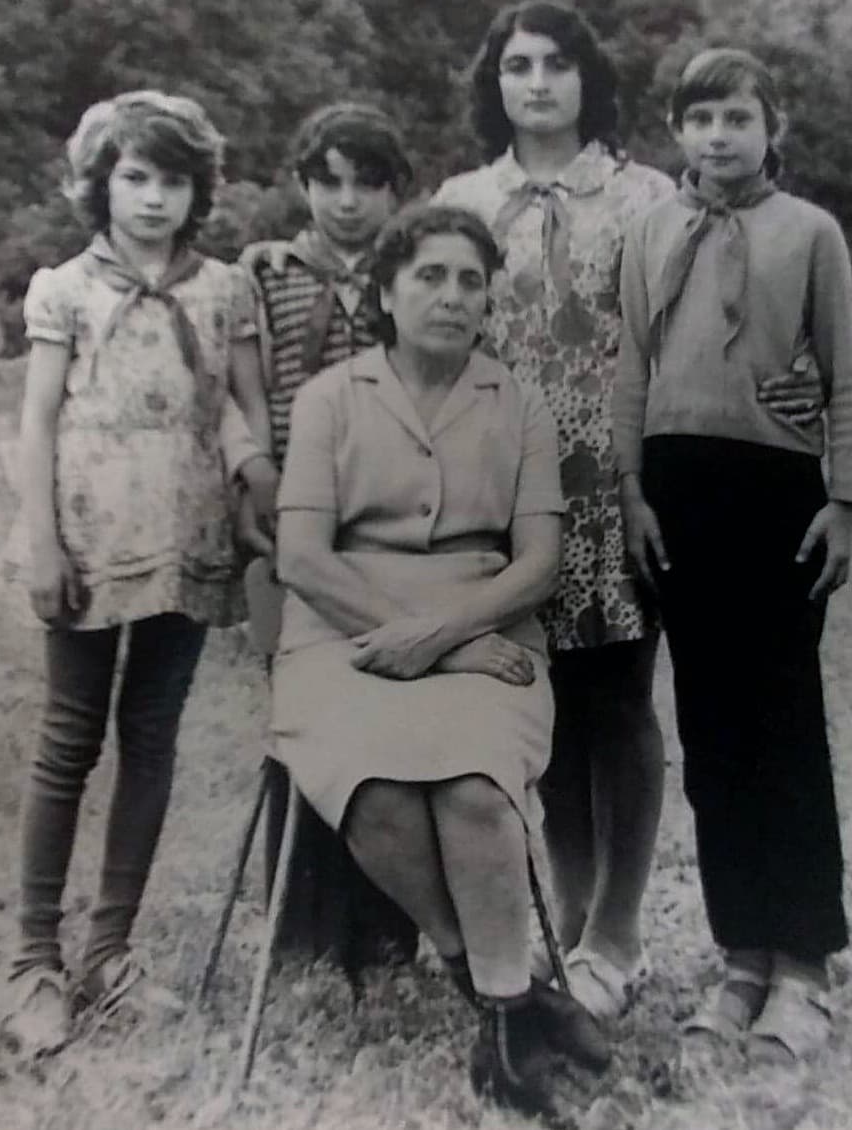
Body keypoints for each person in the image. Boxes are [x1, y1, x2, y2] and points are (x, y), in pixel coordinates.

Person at [434, 0, 824, 1020]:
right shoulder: (465, 198)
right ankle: (573, 925)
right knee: (546, 709)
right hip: (504, 483)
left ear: (587, 79)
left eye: (558, 63)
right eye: (517, 64)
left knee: (619, 700)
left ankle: (619, 926)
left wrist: (787, 398)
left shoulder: (649, 196)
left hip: (622, 483)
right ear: (496, 82)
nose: (538, 82)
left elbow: (711, 328)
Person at [271, 204, 609, 1125]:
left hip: (489, 629)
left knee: (470, 786)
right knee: (375, 789)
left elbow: (537, 562)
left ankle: (501, 1026)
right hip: (343, 632)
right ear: (384, 291)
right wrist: (432, 638)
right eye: (429, 277)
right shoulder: (330, 397)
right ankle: (510, 1000)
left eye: (470, 281)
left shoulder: (518, 401)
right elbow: (301, 559)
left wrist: (454, 633)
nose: (451, 297)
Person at [0, 90, 276, 1055]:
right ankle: (34, 962)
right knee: (68, 740)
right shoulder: (65, 287)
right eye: (135, 178)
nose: (154, 199)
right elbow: (35, 423)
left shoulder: (227, 289)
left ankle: (111, 953)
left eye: (173, 180)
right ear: (101, 184)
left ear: (199, 190)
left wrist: (255, 494)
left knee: (151, 736)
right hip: (86, 534)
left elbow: (246, 411)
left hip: (189, 532)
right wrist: (43, 543)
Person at [613, 47, 852, 1064]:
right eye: (700, 118)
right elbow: (629, 363)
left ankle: (803, 960)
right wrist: (631, 492)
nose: (719, 136)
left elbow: (845, 373)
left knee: (782, 722)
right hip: (676, 494)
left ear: (774, 128)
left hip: (776, 493)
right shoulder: (651, 229)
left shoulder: (810, 233)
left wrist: (843, 498)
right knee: (712, 733)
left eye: (738, 117)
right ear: (677, 131)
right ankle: (740, 957)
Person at [243, 102, 421, 971]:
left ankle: (386, 920)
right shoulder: (268, 273)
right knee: (301, 711)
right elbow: (245, 393)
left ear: (396, 192)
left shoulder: (414, 275)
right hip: (293, 521)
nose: (347, 202)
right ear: (304, 186)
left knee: (387, 712)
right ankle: (300, 923)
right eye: (329, 183)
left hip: (387, 523)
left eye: (367, 184)